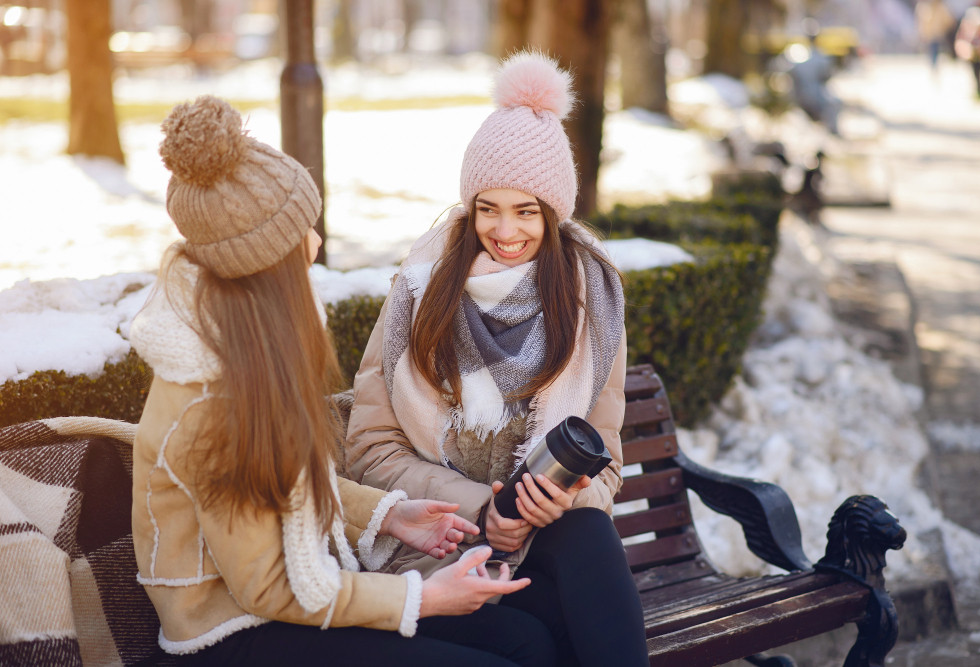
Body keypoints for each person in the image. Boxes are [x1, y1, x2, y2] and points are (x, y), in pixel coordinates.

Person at [129, 95, 559, 667]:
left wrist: (390, 514)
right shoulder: (211, 402)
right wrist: (423, 598)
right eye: (303, 230)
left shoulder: (246, 351)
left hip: (289, 611)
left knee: (528, 641)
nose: (317, 242)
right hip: (233, 639)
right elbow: (269, 586)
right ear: (265, 263)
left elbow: (286, 491)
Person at [345, 52, 649, 667]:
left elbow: (605, 466)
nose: (505, 231)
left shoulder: (590, 298)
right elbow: (370, 448)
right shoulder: (423, 288)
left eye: (526, 211)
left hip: (548, 546)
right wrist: (485, 509)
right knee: (550, 641)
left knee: (586, 532)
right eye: (488, 208)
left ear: (554, 213)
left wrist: (558, 502)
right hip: (441, 547)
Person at [955, 4, 980, 100]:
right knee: (975, 73)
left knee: (978, 73)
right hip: (971, 53)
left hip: (978, 54)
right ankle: (977, 92)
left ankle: (979, 93)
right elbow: (961, 38)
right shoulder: (968, 27)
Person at [915, 0, 955, 72]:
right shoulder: (925, 8)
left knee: (938, 50)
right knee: (933, 51)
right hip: (931, 35)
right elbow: (923, 23)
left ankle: (937, 65)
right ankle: (934, 66)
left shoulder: (940, 7)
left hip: (938, 33)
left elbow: (947, 19)